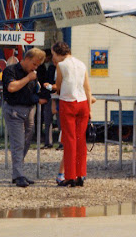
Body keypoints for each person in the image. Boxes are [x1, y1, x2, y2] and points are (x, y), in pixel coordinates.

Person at [2, 48, 47, 188]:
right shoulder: (10, 70)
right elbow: (11, 87)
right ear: (26, 59)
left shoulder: (33, 74)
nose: (35, 68)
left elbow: (33, 90)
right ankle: (19, 174)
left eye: (37, 65)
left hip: (29, 110)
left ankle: (18, 173)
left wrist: (41, 95)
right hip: (14, 110)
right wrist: (28, 78)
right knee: (18, 143)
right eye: (34, 64)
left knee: (27, 141)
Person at [51, 41, 93, 187]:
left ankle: (70, 176)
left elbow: (59, 86)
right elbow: (87, 88)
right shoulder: (82, 64)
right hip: (82, 103)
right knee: (81, 140)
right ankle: (81, 174)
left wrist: (51, 87)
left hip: (68, 102)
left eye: (53, 54)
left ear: (57, 53)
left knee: (69, 140)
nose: (53, 58)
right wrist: (90, 109)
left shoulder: (61, 66)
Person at [36, 49, 57, 148]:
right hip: (51, 96)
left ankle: (61, 143)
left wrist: (50, 87)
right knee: (48, 120)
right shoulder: (51, 68)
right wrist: (49, 87)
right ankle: (48, 142)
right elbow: (48, 83)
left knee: (59, 122)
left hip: (58, 96)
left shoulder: (57, 69)